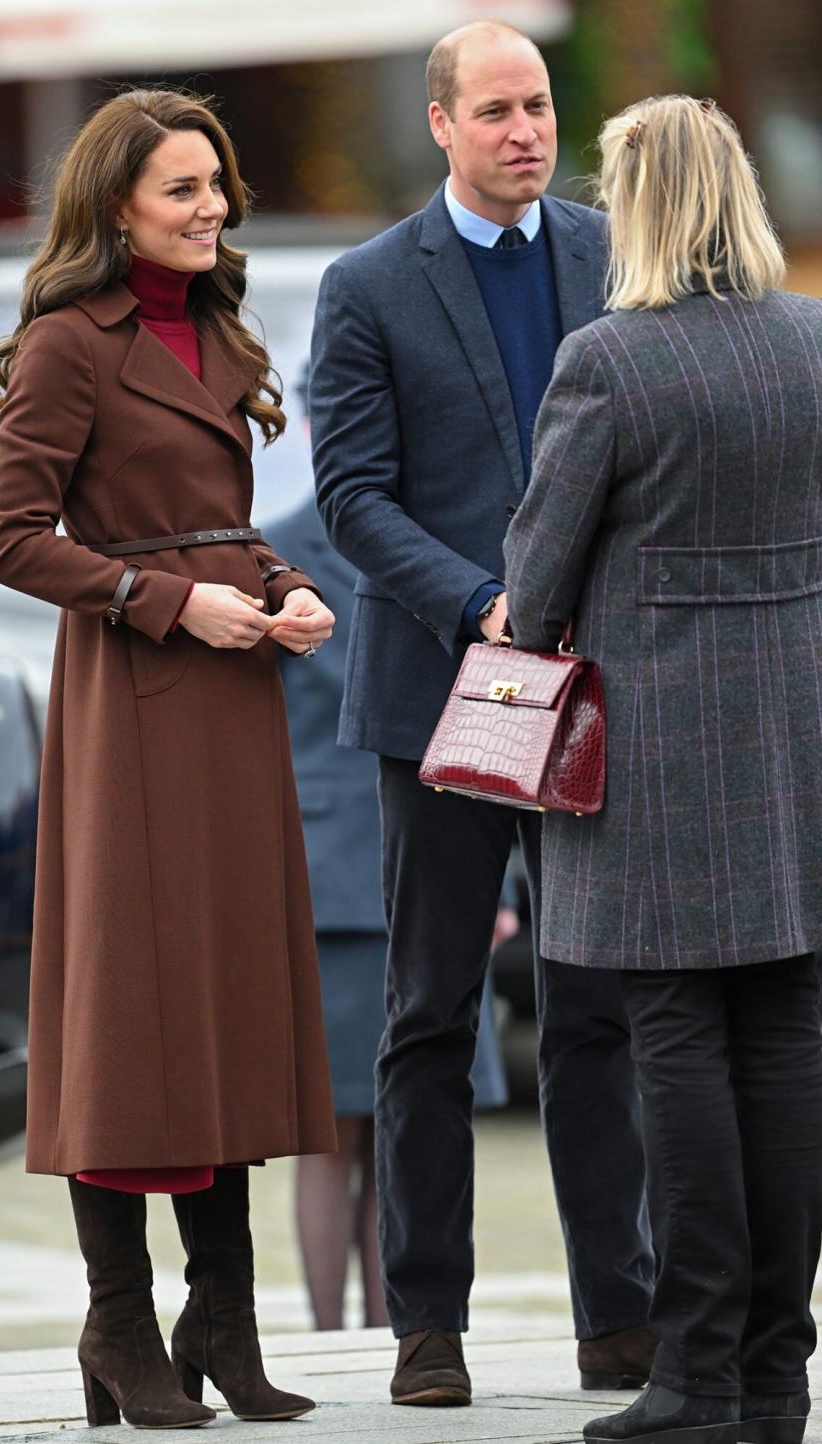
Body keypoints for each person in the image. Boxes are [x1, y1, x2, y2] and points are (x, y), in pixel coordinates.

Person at [0, 88, 337, 1430]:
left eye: (217, 186)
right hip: (131, 702)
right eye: (182, 190)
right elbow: (11, 538)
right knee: (136, 1018)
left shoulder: (224, 330)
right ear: (115, 203)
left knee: (226, 1001)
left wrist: (286, 583)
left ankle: (224, 1329)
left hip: (233, 700)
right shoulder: (70, 344)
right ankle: (119, 1325)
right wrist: (162, 602)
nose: (211, 210)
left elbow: (217, 525)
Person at [310, 19, 655, 1406]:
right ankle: (428, 1326)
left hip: (589, 689)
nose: (528, 132)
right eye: (498, 110)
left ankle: (617, 1317)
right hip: (443, 698)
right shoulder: (369, 284)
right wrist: (477, 603)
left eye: (540, 107)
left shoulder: (608, 258)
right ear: (442, 123)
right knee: (430, 1012)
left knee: (596, 1011)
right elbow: (354, 496)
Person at [504, 94, 822, 1444]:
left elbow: (531, 593)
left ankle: (693, 1378)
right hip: (798, 737)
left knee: (676, 1045)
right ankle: (775, 1374)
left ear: (637, 204)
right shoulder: (815, 341)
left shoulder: (608, 364)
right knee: (790, 1044)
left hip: (661, 759)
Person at [268, 367, 508, 1332]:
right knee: (353, 1133)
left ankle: (378, 1333)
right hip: (354, 875)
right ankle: (354, 1336)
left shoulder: (283, 545)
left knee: (372, 1129)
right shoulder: (283, 550)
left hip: (361, 866)